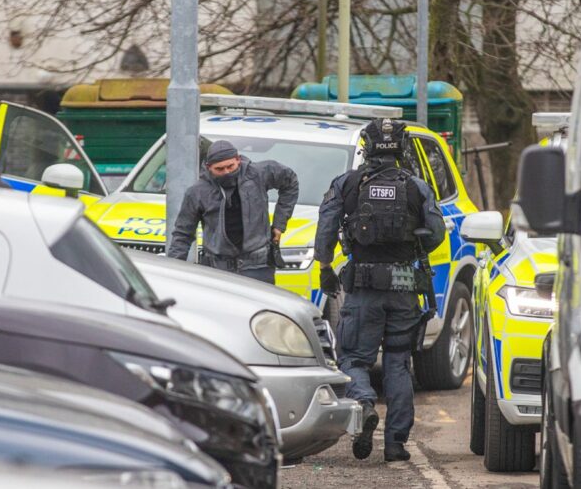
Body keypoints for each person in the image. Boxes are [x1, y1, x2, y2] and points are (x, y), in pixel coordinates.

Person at [314, 118, 445, 462]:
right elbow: (435, 233)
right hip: (404, 290)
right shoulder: (417, 186)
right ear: (401, 149)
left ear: (366, 148)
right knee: (399, 364)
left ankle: (365, 402)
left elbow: (325, 229)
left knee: (353, 359)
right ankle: (396, 445)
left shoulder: (347, 183)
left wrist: (326, 268)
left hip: (362, 291)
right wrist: (410, 252)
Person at [168, 140, 299, 285]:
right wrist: (172, 273)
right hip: (217, 269)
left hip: (258, 266)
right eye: (219, 169)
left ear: (238, 159)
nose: (226, 172)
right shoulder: (197, 192)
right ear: (208, 167)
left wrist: (279, 224)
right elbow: (182, 234)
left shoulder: (258, 173)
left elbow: (290, 181)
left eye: (230, 166)